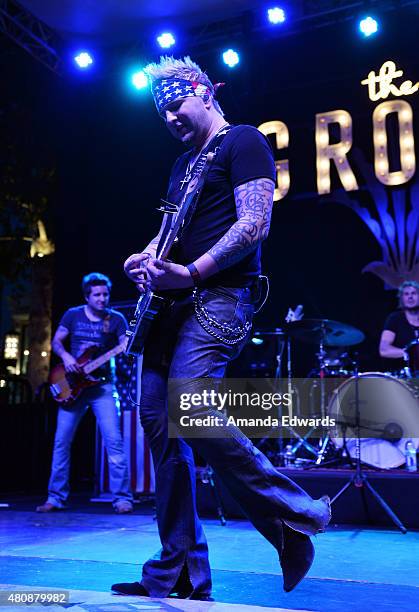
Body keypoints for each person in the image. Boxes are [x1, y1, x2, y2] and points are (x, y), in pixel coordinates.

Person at [112, 56, 330, 600]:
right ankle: (180, 571)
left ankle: (298, 512)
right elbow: (168, 232)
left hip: (220, 297)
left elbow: (255, 222)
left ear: (205, 91)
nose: (168, 117)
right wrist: (145, 258)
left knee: (190, 402)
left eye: (176, 103)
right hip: (171, 304)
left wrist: (190, 271)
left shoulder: (245, 141)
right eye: (159, 110)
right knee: (160, 424)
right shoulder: (183, 163)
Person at [36, 272, 134, 514]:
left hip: (102, 386)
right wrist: (67, 357)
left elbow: (125, 346)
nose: (102, 299)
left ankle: (122, 498)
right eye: (97, 295)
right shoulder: (73, 315)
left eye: (106, 294)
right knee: (61, 442)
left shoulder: (117, 319)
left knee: (114, 441)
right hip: (72, 385)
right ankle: (55, 497)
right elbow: (57, 342)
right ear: (87, 296)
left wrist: (130, 344)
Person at [379, 281, 419, 370]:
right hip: (402, 375)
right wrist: (411, 354)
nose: (410, 297)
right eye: (406, 294)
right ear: (401, 299)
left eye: (414, 293)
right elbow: (384, 350)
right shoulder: (395, 318)